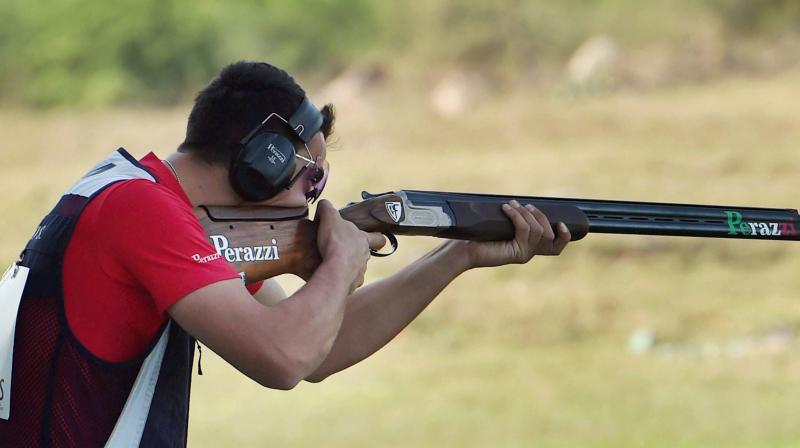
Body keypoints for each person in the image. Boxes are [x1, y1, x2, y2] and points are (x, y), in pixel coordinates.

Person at [0, 61, 571, 447]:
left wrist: (456, 256)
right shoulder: (145, 214)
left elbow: (320, 347)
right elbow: (284, 356)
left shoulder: (134, 193)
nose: (315, 199)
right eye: (312, 179)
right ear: (263, 161)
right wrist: (343, 260)